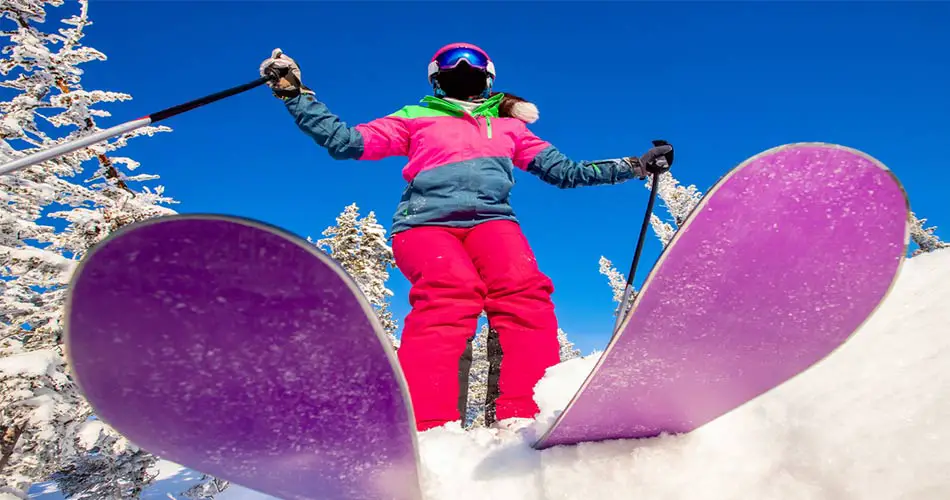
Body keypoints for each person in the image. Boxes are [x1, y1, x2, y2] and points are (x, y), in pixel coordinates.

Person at [258, 42, 674, 433]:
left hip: (492, 222)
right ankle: (428, 424)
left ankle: (523, 416)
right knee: (449, 292)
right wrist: (296, 95)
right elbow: (346, 142)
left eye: (472, 62)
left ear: (487, 77)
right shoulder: (414, 117)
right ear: (436, 77)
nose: (462, 68)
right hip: (424, 225)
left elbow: (566, 171)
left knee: (524, 293)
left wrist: (636, 165)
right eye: (451, 62)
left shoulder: (510, 128)